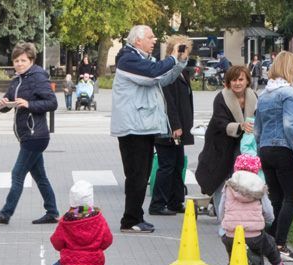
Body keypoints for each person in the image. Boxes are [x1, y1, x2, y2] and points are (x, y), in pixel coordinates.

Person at [110, 25, 187, 233]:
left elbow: (163, 79)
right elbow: (152, 75)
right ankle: (130, 220)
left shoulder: (142, 60)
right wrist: (171, 57)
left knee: (141, 176)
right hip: (133, 128)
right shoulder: (128, 59)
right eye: (151, 37)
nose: (154, 40)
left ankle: (136, 217)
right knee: (137, 175)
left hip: (142, 127)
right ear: (138, 41)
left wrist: (179, 63)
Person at [0, 42, 59, 226]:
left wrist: (29, 104)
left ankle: (5, 213)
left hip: (36, 135)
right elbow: (9, 104)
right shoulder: (17, 80)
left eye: (23, 60)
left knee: (17, 174)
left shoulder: (38, 78)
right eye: (16, 60)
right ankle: (52, 212)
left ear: (31, 60)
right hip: (27, 135)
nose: (19, 63)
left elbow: (52, 103)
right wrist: (3, 103)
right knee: (40, 177)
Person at [255, 51, 293, 262]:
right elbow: (290, 126)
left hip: (265, 149)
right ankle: (280, 244)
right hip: (283, 149)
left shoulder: (264, 94)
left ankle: (268, 243)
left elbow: (257, 129)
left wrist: (261, 147)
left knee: (276, 198)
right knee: (292, 197)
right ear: (289, 69)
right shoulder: (289, 93)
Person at [196, 65, 257, 222]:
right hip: (220, 145)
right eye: (234, 80)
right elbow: (220, 122)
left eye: (241, 79)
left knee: (241, 181)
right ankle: (222, 219)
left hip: (243, 146)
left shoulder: (254, 97)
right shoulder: (221, 98)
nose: (237, 83)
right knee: (220, 181)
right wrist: (240, 126)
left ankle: (239, 217)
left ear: (247, 80)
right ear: (228, 82)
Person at [49, 181, 113, 265]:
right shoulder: (99, 219)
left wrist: (63, 247)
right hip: (94, 261)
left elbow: (57, 242)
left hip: (70, 264)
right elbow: (107, 239)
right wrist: (98, 248)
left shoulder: (66, 221)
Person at [219, 154, 287, 265]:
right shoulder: (259, 187)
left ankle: (234, 262)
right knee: (269, 243)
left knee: (230, 245)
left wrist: (224, 220)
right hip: (253, 236)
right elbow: (268, 210)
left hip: (231, 235)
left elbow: (221, 208)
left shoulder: (229, 186)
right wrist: (268, 220)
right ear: (256, 170)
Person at [150, 35, 195, 216]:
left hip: (178, 127)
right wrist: (175, 125)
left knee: (177, 164)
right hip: (168, 128)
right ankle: (158, 204)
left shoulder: (182, 71)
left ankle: (175, 201)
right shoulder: (168, 71)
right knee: (167, 165)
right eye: (181, 49)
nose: (185, 53)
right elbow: (168, 101)